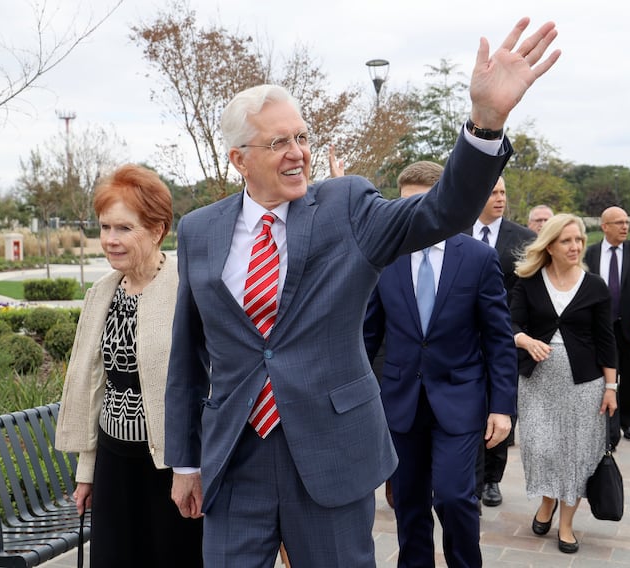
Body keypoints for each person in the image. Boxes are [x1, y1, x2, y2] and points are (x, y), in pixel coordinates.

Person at [164, 18, 560, 568]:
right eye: (279, 142)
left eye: (302, 137)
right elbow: (187, 355)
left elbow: (442, 209)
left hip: (330, 454)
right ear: (239, 158)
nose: (298, 152)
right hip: (237, 459)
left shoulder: (347, 208)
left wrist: (486, 123)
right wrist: (186, 462)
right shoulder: (198, 230)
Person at [363, 161, 517, 568]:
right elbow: (367, 335)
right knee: (408, 503)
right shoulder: (385, 259)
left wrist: (502, 407)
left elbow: (500, 339)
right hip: (401, 403)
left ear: (442, 202)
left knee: (454, 497)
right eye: (403, 206)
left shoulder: (479, 258)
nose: (408, 216)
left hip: (461, 401)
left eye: (419, 204)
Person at [55, 164, 203, 567]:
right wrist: (87, 472)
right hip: (113, 462)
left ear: (157, 230)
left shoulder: (186, 289)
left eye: (123, 229)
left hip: (169, 466)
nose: (109, 240)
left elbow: (203, 385)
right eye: (105, 228)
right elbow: (93, 390)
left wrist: (193, 467)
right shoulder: (102, 293)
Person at [509, 213, 617, 554]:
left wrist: (611, 387)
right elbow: (508, 324)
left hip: (584, 384)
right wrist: (524, 340)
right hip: (537, 383)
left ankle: (566, 523)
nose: (575, 246)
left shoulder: (595, 285)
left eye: (579, 240)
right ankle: (547, 499)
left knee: (576, 454)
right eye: (567, 240)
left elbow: (606, 340)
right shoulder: (528, 282)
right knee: (540, 447)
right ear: (550, 246)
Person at [469, 175, 535, 508]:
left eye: (503, 192)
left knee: (501, 407)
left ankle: (493, 478)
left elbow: (530, 295)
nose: (500, 198)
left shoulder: (524, 239)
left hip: (506, 338)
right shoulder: (456, 231)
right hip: (463, 338)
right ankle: (471, 477)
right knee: (470, 409)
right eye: (493, 191)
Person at [584, 206, 630, 447]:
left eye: (626, 222)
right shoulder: (590, 253)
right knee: (605, 378)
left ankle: (628, 422)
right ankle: (609, 428)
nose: (625, 226)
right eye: (618, 222)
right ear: (604, 226)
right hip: (598, 329)